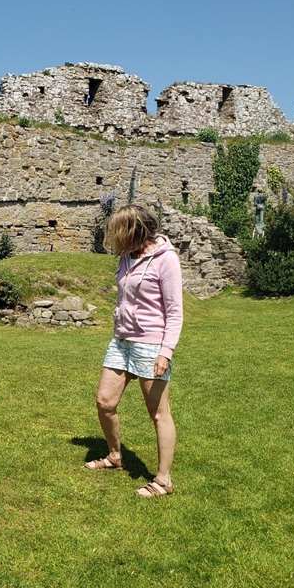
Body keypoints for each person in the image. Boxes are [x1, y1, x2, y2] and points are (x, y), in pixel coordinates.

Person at [86, 205, 183, 498]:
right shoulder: (127, 257)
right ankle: (115, 456)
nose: (113, 238)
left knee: (158, 413)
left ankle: (163, 480)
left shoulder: (166, 260)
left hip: (151, 345)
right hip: (121, 341)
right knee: (105, 401)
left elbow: (175, 311)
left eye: (118, 232)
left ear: (134, 230)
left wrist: (165, 352)